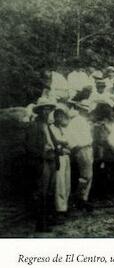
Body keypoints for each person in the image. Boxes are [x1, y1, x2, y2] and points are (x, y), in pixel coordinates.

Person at [25, 97, 57, 232]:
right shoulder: (34, 125)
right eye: (44, 108)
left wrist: (57, 150)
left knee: (50, 191)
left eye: (49, 108)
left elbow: (52, 142)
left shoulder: (47, 126)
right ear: (39, 111)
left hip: (51, 159)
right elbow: (29, 146)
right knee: (42, 192)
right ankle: (41, 223)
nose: (47, 111)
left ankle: (49, 219)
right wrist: (41, 153)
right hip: (42, 161)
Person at [67, 100, 94, 211]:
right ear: (81, 109)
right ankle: (77, 198)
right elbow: (69, 136)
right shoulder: (75, 121)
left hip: (88, 147)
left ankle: (83, 198)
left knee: (89, 175)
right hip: (82, 149)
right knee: (85, 176)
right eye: (84, 109)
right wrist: (75, 146)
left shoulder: (84, 121)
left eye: (87, 110)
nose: (86, 111)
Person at [49, 108, 72, 220]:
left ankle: (65, 206)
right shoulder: (51, 128)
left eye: (63, 117)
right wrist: (64, 144)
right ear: (55, 117)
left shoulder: (63, 128)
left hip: (66, 156)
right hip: (59, 157)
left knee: (67, 182)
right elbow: (56, 141)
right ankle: (60, 209)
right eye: (59, 117)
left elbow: (69, 141)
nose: (61, 119)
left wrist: (66, 144)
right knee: (60, 183)